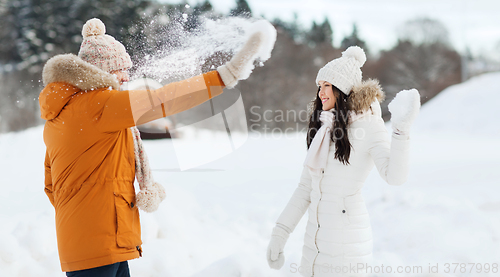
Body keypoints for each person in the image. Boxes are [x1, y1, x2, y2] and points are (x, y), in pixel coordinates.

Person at [40, 18, 276, 276]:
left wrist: (82, 212)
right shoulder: (101, 105)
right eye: (120, 69)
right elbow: (164, 99)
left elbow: (52, 185)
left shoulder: (61, 115)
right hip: (99, 242)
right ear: (102, 71)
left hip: (88, 240)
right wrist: (224, 75)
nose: (126, 76)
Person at [266, 46, 420, 277]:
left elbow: (395, 177)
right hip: (313, 250)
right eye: (320, 86)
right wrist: (280, 233)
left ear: (343, 89)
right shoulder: (325, 128)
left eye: (327, 85)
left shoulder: (369, 125)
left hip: (347, 250)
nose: (321, 92)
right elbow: (305, 188)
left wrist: (400, 130)